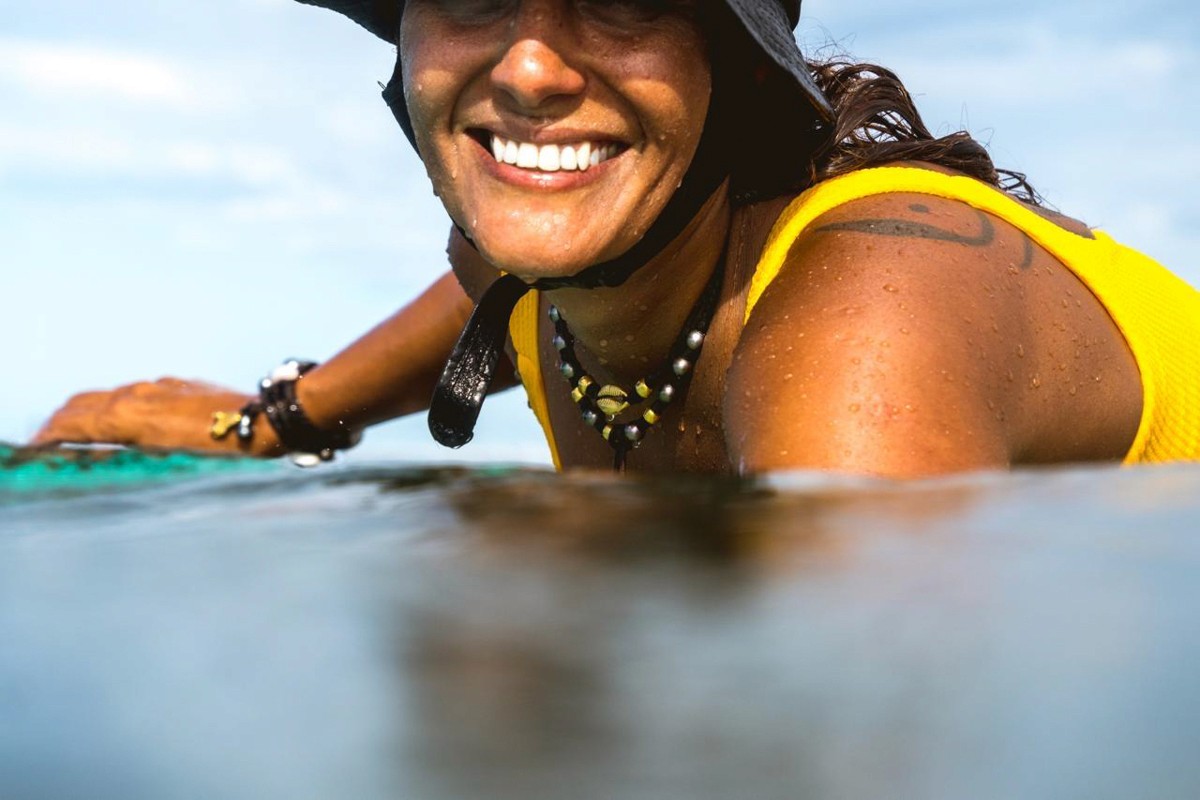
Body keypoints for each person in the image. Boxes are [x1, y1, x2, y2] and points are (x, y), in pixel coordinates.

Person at [33, 0, 1200, 477]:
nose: (533, 66)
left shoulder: (865, 332)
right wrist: (274, 419)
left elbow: (863, 734)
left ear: (739, 75)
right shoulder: (552, 262)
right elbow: (488, 296)